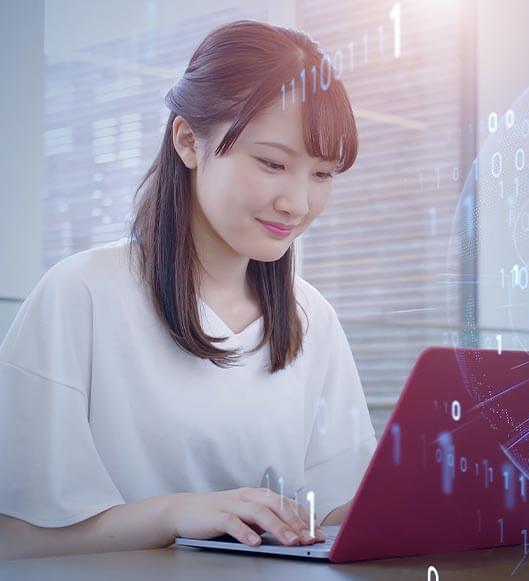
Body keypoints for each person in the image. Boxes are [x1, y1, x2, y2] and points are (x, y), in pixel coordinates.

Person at [0, 19, 377, 560]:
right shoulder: (80, 295)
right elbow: (11, 538)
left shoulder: (310, 317)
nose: (297, 203)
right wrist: (177, 513)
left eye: (322, 174)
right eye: (272, 163)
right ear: (187, 141)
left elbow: (336, 507)